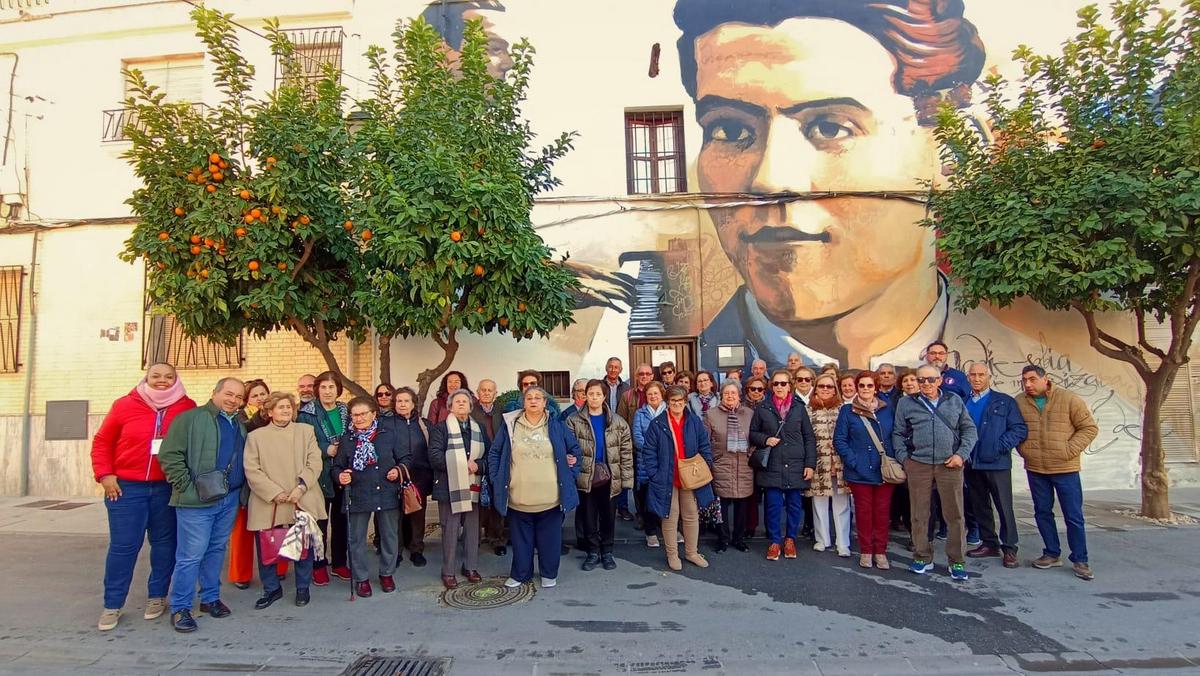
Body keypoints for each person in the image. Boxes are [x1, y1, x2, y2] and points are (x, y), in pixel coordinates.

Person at [679, 1, 986, 370]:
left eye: (830, 127)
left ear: (947, 153)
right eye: (730, 129)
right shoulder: (697, 377)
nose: (771, 180)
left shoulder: (1016, 360)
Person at [91, 362, 196, 631]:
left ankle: (157, 596)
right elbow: (103, 441)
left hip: (166, 488)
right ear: (146, 378)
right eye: (156, 376)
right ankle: (112, 604)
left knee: (164, 545)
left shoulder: (186, 406)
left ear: (176, 379)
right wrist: (105, 474)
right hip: (126, 489)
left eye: (169, 377)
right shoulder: (125, 405)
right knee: (124, 547)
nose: (162, 381)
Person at [158, 377, 246, 633]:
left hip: (228, 498)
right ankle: (181, 607)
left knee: (216, 549)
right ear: (215, 392)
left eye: (239, 397)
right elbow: (169, 454)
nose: (233, 400)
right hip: (196, 501)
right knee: (190, 554)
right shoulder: (191, 418)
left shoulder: (238, 424)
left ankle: (210, 598)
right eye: (229, 394)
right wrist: (185, 485)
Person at [487, 386, 581, 588]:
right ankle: (520, 574)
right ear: (523, 402)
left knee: (550, 541)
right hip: (518, 497)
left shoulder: (556, 425)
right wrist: (497, 478)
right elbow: (494, 453)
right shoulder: (510, 425)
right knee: (521, 542)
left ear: (545, 403)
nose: (533, 400)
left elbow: (575, 452)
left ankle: (548, 573)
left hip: (551, 498)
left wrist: (569, 475)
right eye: (529, 397)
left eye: (538, 397)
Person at [892, 365, 978, 581]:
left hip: (949, 464)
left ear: (940, 380)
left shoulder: (954, 400)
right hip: (918, 464)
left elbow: (969, 430)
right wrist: (905, 459)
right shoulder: (906, 402)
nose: (926, 384)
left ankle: (956, 561)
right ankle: (922, 556)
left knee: (954, 515)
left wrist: (961, 455)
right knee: (919, 514)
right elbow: (898, 433)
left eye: (931, 380)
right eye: (921, 380)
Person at [243, 392, 328, 609]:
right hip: (269, 501)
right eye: (280, 407)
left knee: (304, 547)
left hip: (302, 495)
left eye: (289, 407)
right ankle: (271, 589)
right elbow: (252, 469)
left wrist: (301, 486)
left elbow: (315, 461)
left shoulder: (305, 431)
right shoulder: (256, 437)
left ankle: (302, 588)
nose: (286, 411)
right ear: (269, 412)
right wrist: (274, 493)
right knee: (267, 546)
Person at [1016, 365, 1099, 580]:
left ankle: (1080, 559)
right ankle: (1051, 553)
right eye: (1024, 380)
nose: (1028, 384)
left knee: (1073, 515)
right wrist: (1025, 451)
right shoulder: (1019, 402)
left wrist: (1068, 450)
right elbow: (1015, 428)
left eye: (1032, 379)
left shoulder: (1068, 399)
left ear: (1046, 379)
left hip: (1065, 468)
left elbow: (1089, 427)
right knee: (1042, 512)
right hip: (1036, 468)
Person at [333, 396, 408, 597]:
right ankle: (361, 578)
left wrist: (398, 470)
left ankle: (386, 573)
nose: (358, 419)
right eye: (354, 415)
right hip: (358, 494)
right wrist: (340, 476)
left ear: (373, 414)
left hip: (386, 491)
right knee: (356, 539)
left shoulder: (388, 435)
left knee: (390, 536)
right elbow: (337, 466)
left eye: (363, 414)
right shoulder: (347, 440)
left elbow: (405, 458)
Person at [639, 386, 715, 571]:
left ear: (685, 402)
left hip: (690, 477)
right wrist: (655, 475)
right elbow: (648, 453)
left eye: (680, 401)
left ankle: (691, 552)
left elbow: (704, 445)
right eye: (673, 401)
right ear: (667, 402)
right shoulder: (657, 424)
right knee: (670, 517)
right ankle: (672, 555)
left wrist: (705, 464)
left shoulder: (694, 422)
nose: (677, 404)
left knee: (691, 515)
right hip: (667, 478)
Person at [963, 362, 1027, 568]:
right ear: (968, 377)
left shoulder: (1004, 401)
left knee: (1003, 506)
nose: (977, 378)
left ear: (989, 377)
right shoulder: (963, 401)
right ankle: (989, 543)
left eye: (981, 374)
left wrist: (998, 446)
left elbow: (1018, 429)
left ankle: (1009, 548)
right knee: (980, 506)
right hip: (971, 463)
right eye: (973, 374)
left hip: (997, 463)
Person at [566, 380, 634, 571]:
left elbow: (626, 453)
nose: (594, 398)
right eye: (590, 394)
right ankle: (593, 552)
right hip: (586, 475)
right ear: (585, 396)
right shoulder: (573, 420)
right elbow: (569, 449)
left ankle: (607, 551)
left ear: (604, 397)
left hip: (610, 476)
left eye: (598, 394)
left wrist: (627, 479)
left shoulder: (618, 422)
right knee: (588, 516)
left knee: (608, 516)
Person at [750, 370, 816, 561]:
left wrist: (810, 464)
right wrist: (765, 439)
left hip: (796, 463)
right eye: (776, 384)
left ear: (790, 386)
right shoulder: (763, 408)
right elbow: (753, 433)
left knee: (794, 505)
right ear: (772, 386)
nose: (779, 387)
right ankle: (774, 541)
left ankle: (790, 539)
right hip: (773, 464)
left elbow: (809, 438)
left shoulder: (798, 408)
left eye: (783, 384)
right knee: (773, 505)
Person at [834, 370, 897, 569]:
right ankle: (866, 551)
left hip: (883, 469)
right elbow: (840, 440)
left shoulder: (888, 409)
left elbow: (896, 435)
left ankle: (881, 551)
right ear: (857, 387)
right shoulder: (847, 410)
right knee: (863, 512)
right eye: (862, 385)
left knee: (881, 512)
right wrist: (853, 461)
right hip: (859, 470)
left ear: (876, 387)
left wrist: (894, 459)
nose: (865, 389)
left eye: (870, 385)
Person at [229, 379, 286, 591]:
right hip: (247, 483)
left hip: (275, 481)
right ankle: (240, 573)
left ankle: (278, 568)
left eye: (263, 394)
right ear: (246, 400)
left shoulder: (278, 417)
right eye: (255, 395)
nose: (260, 398)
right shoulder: (241, 419)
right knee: (243, 532)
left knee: (276, 526)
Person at [428, 390, 489, 589]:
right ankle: (448, 571)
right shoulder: (440, 429)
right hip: (449, 487)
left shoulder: (478, 428)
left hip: (472, 486)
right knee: (450, 530)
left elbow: (489, 456)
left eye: (465, 401)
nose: (461, 404)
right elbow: (435, 457)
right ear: (451, 407)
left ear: (471, 407)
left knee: (472, 530)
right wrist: (462, 464)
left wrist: (479, 466)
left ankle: (470, 567)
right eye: (457, 402)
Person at [297, 371, 349, 585]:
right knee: (318, 522)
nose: (328, 391)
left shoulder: (345, 410)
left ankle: (339, 562)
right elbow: (303, 444)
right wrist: (326, 449)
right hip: (318, 474)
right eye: (324, 387)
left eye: (332, 387)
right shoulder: (306, 413)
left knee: (342, 520)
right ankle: (318, 564)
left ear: (338, 389)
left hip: (343, 472)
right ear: (317, 389)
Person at [704, 380, 754, 553]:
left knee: (742, 505)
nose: (730, 396)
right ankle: (722, 538)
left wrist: (750, 454)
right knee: (721, 505)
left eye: (733, 393)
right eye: (726, 393)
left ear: (739, 395)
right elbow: (705, 441)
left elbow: (754, 438)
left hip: (744, 465)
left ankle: (739, 539)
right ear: (721, 395)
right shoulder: (711, 415)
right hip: (721, 464)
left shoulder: (749, 413)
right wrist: (711, 461)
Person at [806, 372, 851, 557]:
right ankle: (822, 539)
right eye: (821, 386)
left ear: (835, 389)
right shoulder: (808, 409)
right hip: (817, 462)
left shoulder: (844, 409)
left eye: (829, 386)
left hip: (840, 462)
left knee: (842, 503)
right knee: (819, 502)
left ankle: (843, 543)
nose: (825, 389)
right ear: (815, 388)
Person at [391, 387, 432, 568]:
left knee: (417, 514)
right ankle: (396, 551)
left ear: (413, 404)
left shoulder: (423, 424)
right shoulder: (387, 424)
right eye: (399, 401)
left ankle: (416, 549)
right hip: (395, 475)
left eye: (406, 401)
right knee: (395, 514)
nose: (402, 404)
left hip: (419, 475)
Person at [471, 379, 508, 555]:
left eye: (490, 390)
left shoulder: (502, 412)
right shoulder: (471, 411)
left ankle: (497, 539)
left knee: (497, 502)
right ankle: (474, 539)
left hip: (498, 462)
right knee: (476, 502)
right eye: (483, 390)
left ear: (495, 393)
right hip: (477, 461)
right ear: (477, 392)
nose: (486, 393)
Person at [632, 381, 668, 547]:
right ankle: (651, 532)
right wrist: (653, 450)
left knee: (668, 497)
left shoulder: (668, 412)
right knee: (648, 498)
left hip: (666, 461)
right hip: (645, 462)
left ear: (662, 395)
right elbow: (638, 437)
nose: (653, 396)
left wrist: (663, 451)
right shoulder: (640, 413)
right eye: (650, 394)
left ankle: (670, 530)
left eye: (656, 393)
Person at [741, 374, 768, 538]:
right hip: (747, 453)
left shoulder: (769, 406)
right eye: (753, 389)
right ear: (747, 390)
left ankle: (770, 528)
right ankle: (750, 525)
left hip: (766, 451)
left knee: (769, 493)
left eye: (760, 389)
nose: (756, 392)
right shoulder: (742, 407)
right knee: (750, 493)